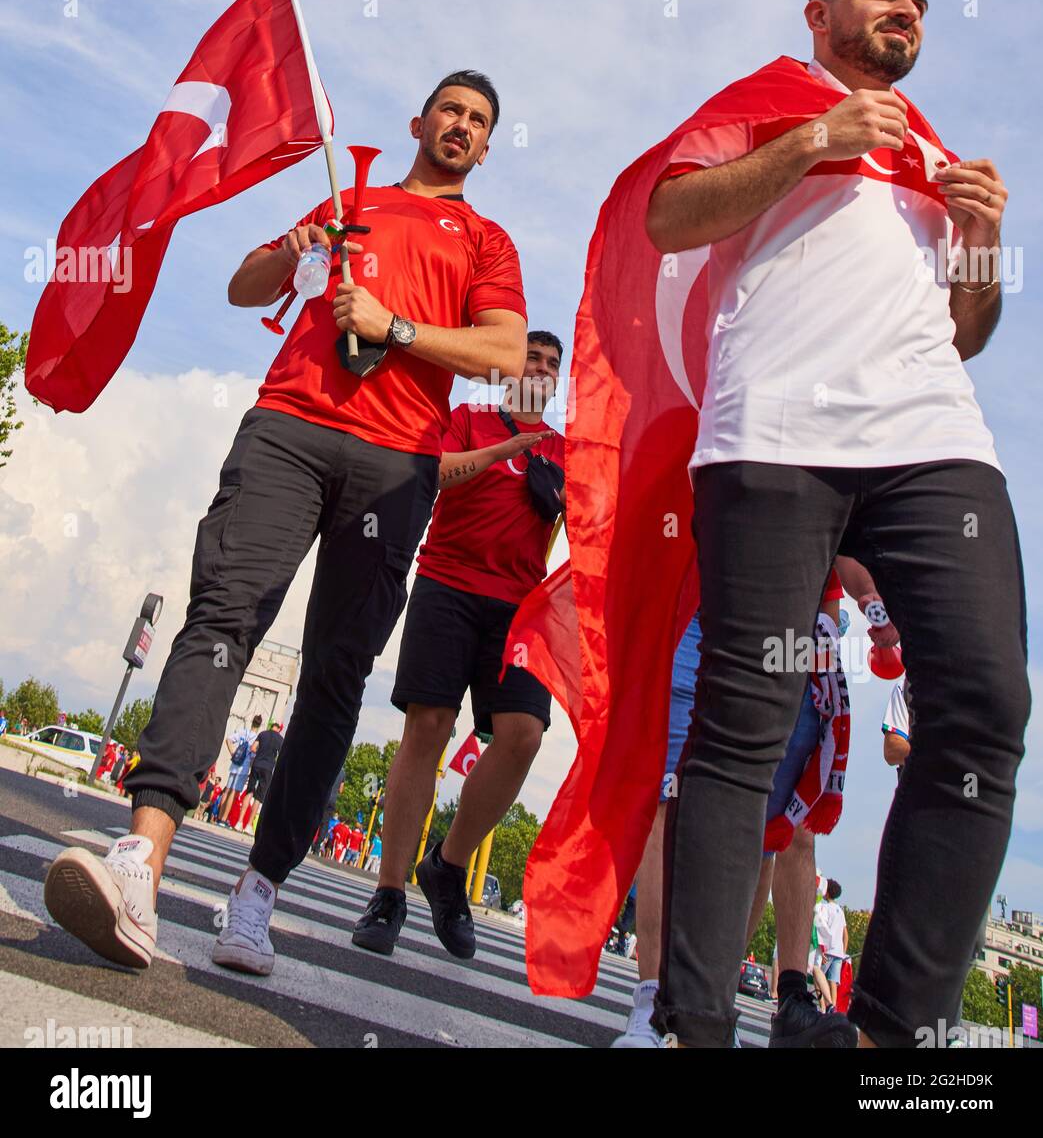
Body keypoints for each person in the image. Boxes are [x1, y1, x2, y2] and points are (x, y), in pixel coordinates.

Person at [44, 70, 527, 978]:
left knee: (335, 675)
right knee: (221, 620)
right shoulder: (351, 201)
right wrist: (296, 249)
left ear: (488, 146)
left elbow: (504, 350)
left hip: (396, 463)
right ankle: (141, 857)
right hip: (289, 429)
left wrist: (398, 328)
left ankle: (259, 893)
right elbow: (242, 285)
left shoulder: (487, 241)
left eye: (478, 121)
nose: (460, 126)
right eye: (449, 112)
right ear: (418, 122)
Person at [644, 0, 1028, 1049]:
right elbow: (670, 216)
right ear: (819, 16)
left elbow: (965, 333)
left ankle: (882, 1037)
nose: (903, 8)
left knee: (984, 705)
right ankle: (695, 1023)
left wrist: (980, 242)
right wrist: (815, 137)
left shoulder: (931, 148)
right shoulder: (771, 97)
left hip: (929, 440)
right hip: (773, 431)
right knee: (741, 721)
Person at [352, 332, 564, 959]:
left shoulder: (566, 449)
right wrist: (507, 449)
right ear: (510, 366)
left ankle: (448, 864)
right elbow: (438, 475)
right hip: (447, 585)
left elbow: (594, 523)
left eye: (553, 364)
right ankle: (389, 892)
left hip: (521, 609)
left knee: (523, 733)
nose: (542, 369)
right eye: (532, 357)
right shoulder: (470, 417)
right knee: (428, 728)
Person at [614, 572, 856, 1049]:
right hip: (704, 596)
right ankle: (651, 1002)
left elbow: (841, 539)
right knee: (670, 794)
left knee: (770, 824)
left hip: (793, 624)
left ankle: (711, 1005)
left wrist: (831, 631)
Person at [217, 715, 263, 825]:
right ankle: (224, 818)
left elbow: (228, 739)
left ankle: (218, 816)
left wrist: (232, 752)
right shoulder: (256, 738)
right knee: (234, 792)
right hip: (244, 766)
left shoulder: (243, 732)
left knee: (227, 790)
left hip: (235, 763)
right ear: (259, 725)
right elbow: (252, 755)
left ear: (252, 722)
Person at [239, 721, 284, 833]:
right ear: (279, 729)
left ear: (271, 726)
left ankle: (239, 822)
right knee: (259, 797)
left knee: (249, 791)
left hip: (257, 764)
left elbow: (253, 748)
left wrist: (260, 753)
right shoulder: (280, 739)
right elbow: (281, 755)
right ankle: (249, 825)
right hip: (268, 768)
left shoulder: (262, 734)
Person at [815, 879, 849, 1010]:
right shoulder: (840, 911)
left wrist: (821, 950)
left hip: (827, 950)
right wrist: (843, 952)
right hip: (839, 952)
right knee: (833, 981)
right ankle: (833, 1006)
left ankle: (823, 1007)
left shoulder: (825, 908)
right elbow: (845, 934)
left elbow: (822, 929)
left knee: (818, 978)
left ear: (827, 893)